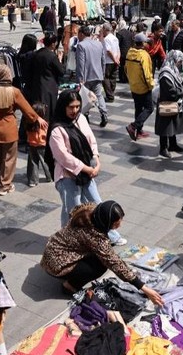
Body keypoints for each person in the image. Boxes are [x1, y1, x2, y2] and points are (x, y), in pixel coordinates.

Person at [45, 91, 126, 245]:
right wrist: (86, 169)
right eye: (71, 107)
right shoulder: (57, 128)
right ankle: (69, 241)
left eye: (77, 106)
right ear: (63, 107)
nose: (74, 110)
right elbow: (62, 156)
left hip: (86, 172)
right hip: (67, 176)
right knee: (73, 211)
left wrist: (96, 159)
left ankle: (112, 236)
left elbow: (91, 141)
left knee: (97, 204)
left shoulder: (81, 118)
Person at [41, 201, 163, 303]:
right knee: (101, 265)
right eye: (116, 223)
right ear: (106, 222)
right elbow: (115, 263)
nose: (119, 225)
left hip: (51, 251)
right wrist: (144, 288)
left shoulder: (88, 211)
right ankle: (69, 286)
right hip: (57, 264)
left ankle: (72, 275)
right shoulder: (95, 237)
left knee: (100, 256)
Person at [0, 64, 45, 196]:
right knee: (9, 157)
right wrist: (37, 118)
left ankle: (3, 178)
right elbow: (27, 110)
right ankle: (5, 185)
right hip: (8, 127)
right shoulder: (14, 91)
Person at [154, 50, 183, 159]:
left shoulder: (173, 70)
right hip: (166, 102)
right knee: (165, 126)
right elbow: (169, 90)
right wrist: (181, 93)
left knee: (173, 124)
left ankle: (173, 144)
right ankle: (163, 148)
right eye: (179, 61)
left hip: (173, 101)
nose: (180, 64)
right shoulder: (166, 73)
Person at [76, 25, 109, 128]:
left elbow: (81, 63)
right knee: (98, 95)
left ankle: (85, 115)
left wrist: (81, 79)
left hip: (86, 76)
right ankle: (104, 114)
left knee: (84, 97)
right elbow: (103, 60)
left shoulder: (81, 45)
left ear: (81, 34)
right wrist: (102, 73)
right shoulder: (98, 44)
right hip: (98, 74)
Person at [124, 34, 154, 141]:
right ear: (143, 43)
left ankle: (138, 130)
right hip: (143, 87)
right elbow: (147, 74)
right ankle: (134, 126)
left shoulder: (129, 52)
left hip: (133, 86)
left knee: (138, 108)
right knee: (149, 108)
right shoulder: (144, 55)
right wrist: (151, 85)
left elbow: (125, 69)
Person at [28, 32, 64, 122]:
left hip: (37, 85)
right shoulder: (52, 56)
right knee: (49, 110)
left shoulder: (36, 54)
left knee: (39, 109)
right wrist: (59, 60)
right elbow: (61, 72)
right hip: (49, 87)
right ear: (53, 44)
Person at [26, 102, 52, 187]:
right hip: (42, 145)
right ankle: (50, 176)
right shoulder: (44, 123)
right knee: (46, 161)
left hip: (32, 145)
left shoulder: (29, 123)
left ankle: (32, 181)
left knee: (33, 163)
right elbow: (47, 134)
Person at [101, 23, 120, 102]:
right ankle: (111, 93)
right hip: (115, 60)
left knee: (105, 78)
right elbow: (118, 50)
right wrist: (117, 59)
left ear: (105, 29)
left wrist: (114, 59)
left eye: (103, 29)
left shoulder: (106, 39)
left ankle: (109, 96)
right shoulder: (115, 38)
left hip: (108, 61)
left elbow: (108, 51)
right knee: (113, 77)